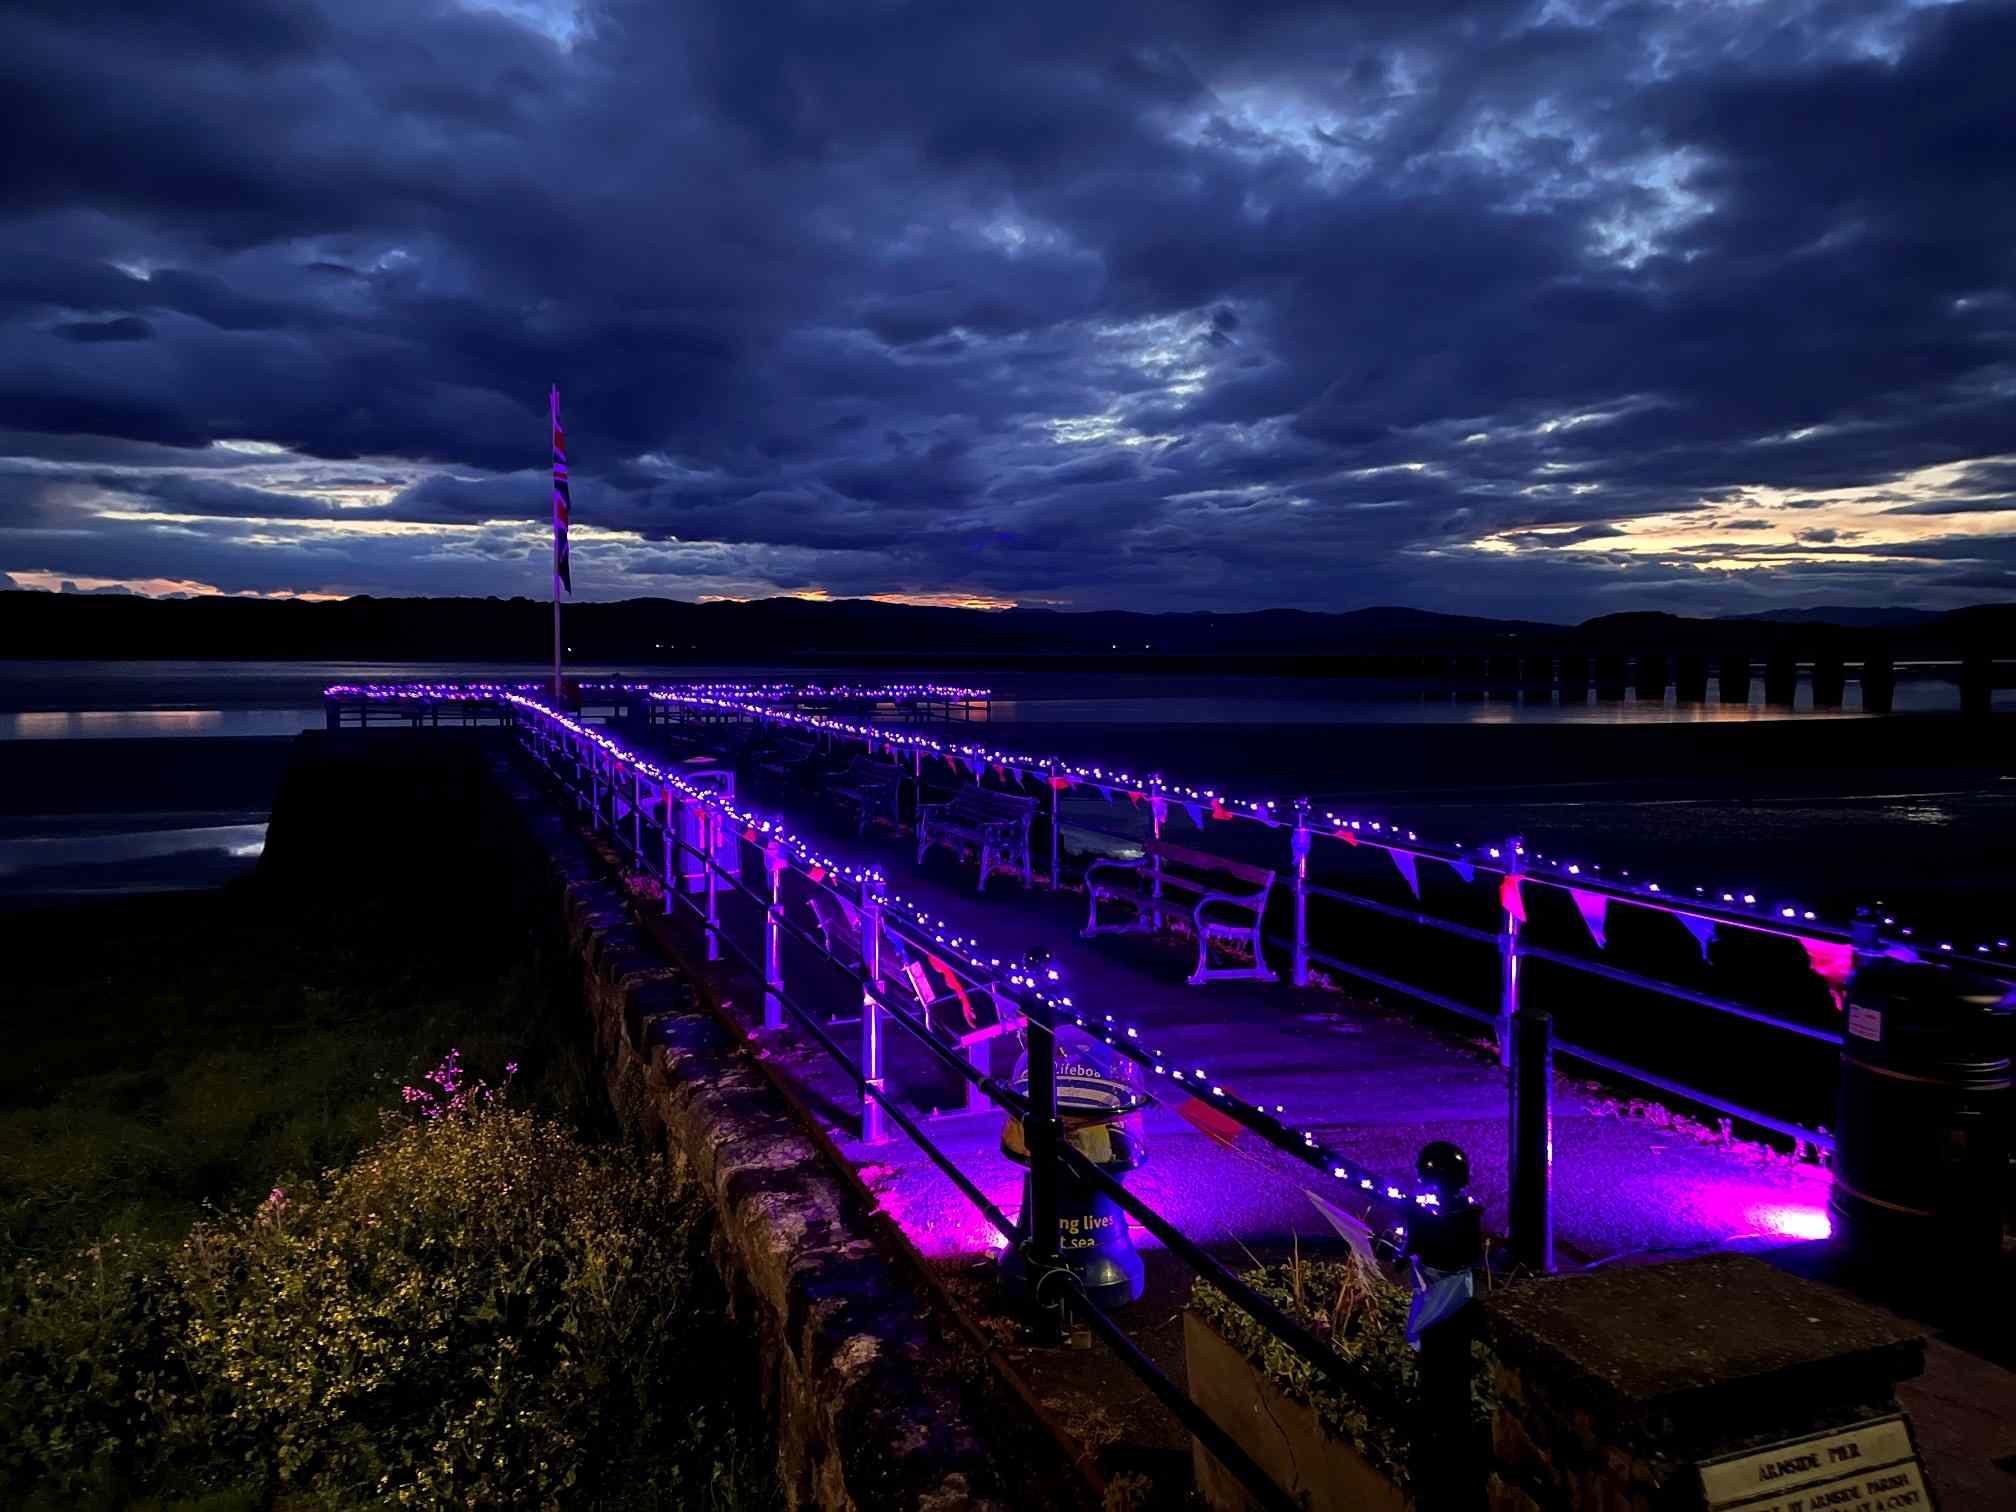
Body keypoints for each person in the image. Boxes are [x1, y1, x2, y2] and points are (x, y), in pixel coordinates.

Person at [1406, 1141, 1485, 1510]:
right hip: (1453, 1294)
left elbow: (1423, 1243)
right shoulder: (1463, 1213)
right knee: (1450, 1379)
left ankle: (1441, 1456)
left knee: (1443, 1379)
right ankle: (1450, 1445)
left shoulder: (1449, 1216)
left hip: (1446, 1296)